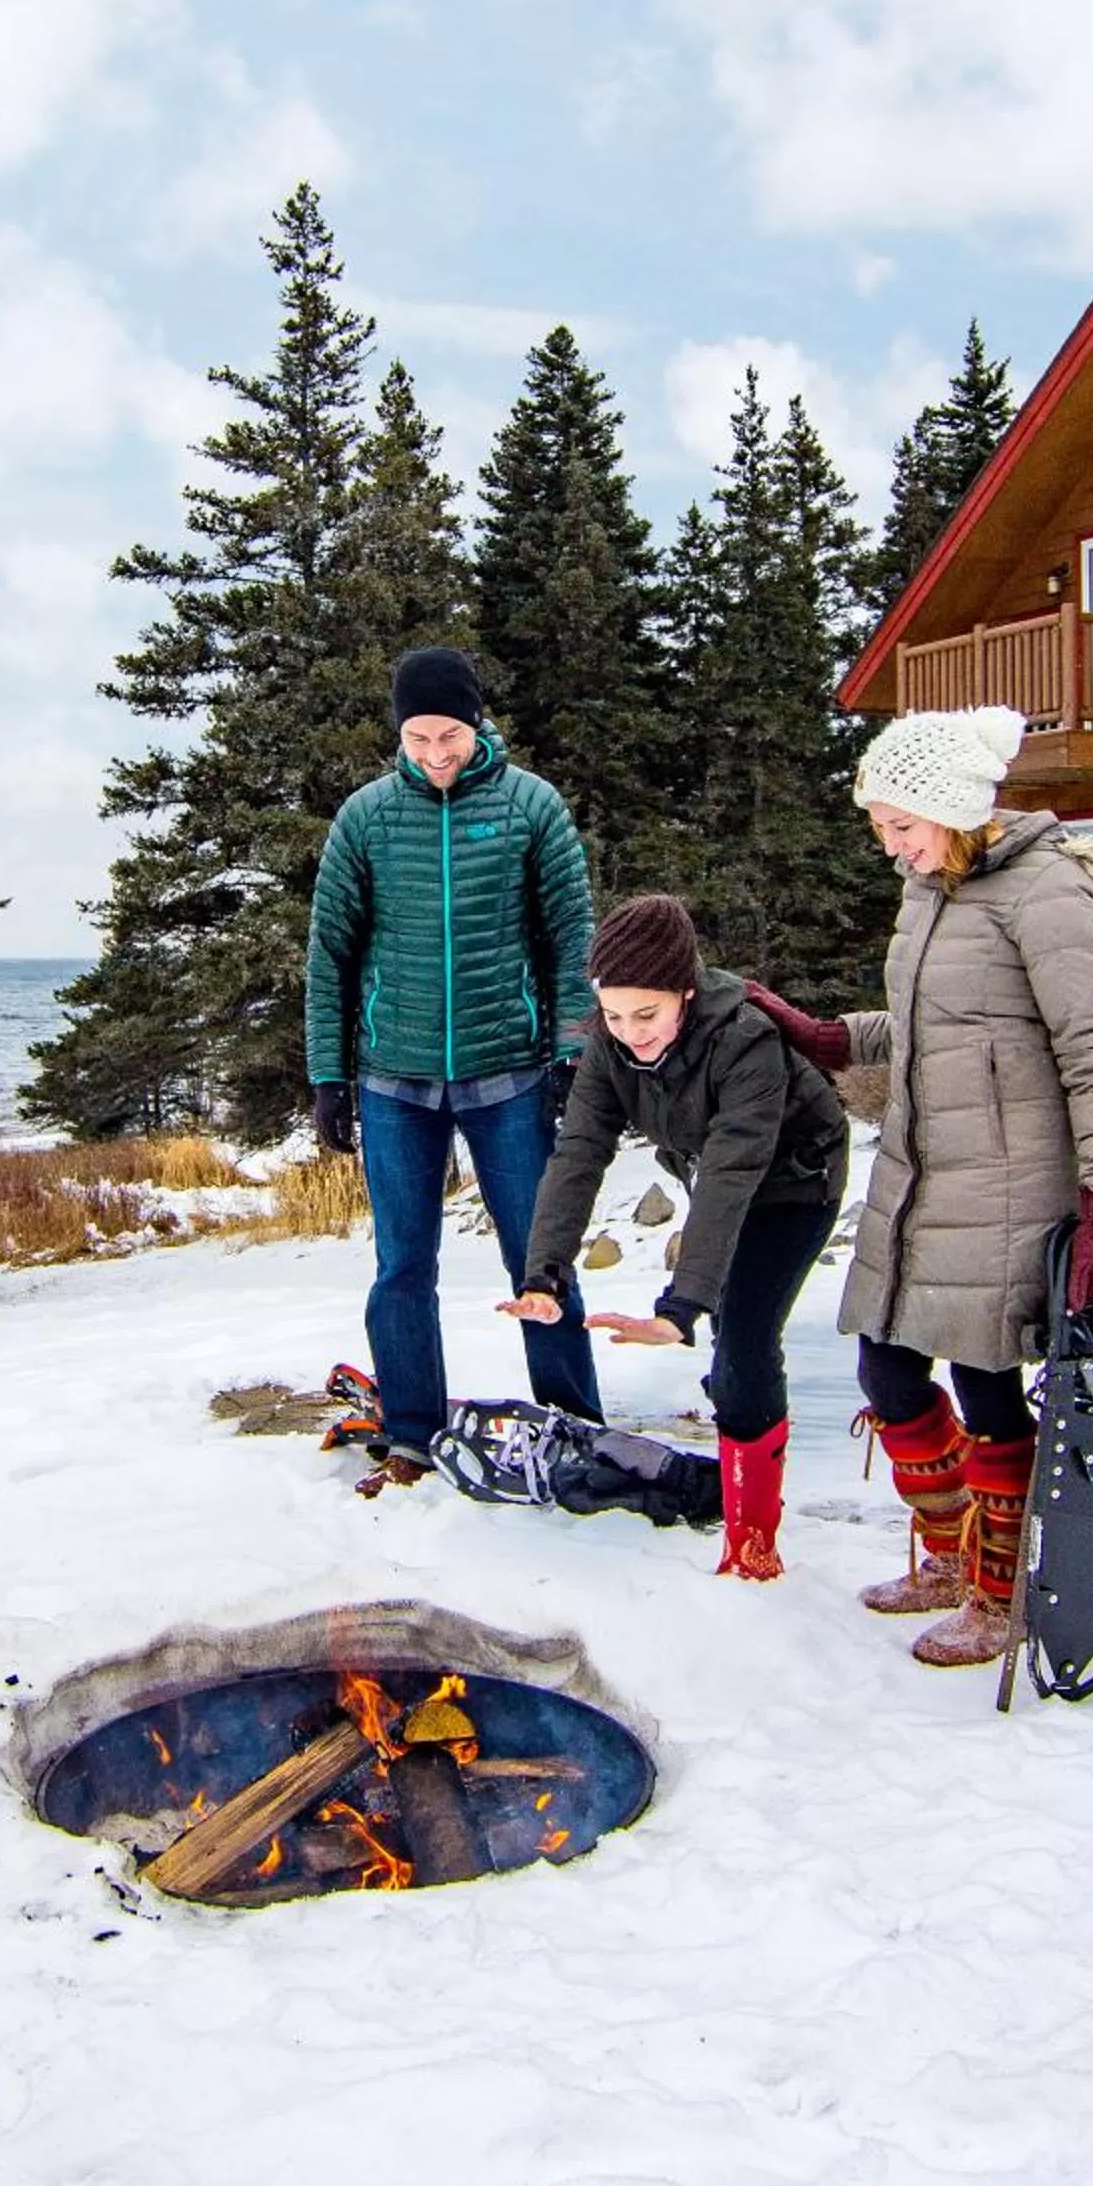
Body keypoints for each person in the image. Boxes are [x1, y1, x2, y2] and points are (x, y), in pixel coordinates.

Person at [774, 704, 1093, 1670]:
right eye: (881, 828)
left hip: (1016, 1181)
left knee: (987, 1383)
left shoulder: (1047, 891)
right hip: (924, 1172)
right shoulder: (933, 887)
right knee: (888, 1371)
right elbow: (932, 1025)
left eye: (902, 824)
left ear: (954, 808)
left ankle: (1000, 1588)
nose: (889, 846)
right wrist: (834, 1037)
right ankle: (948, 1553)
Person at [306, 645, 603, 1493]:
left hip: (505, 1073)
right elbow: (329, 954)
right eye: (419, 736)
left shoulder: (530, 807)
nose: (437, 754)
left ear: (477, 724)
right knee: (402, 1264)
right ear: (398, 732)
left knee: (537, 1258)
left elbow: (569, 937)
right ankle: (410, 1433)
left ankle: (573, 1425)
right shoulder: (365, 818)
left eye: (451, 736)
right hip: (393, 1079)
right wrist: (329, 1073)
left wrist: (574, 1048)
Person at [503, 893, 848, 1581]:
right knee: (730, 1349)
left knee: (744, 1342)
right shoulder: (609, 1047)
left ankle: (752, 1545)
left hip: (794, 1183)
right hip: (716, 1177)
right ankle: (741, 1496)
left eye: (647, 1014)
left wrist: (680, 1305)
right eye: (613, 1013)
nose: (630, 1031)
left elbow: (733, 1170)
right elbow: (579, 1155)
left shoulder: (744, 1037)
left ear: (684, 993)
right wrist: (545, 1272)